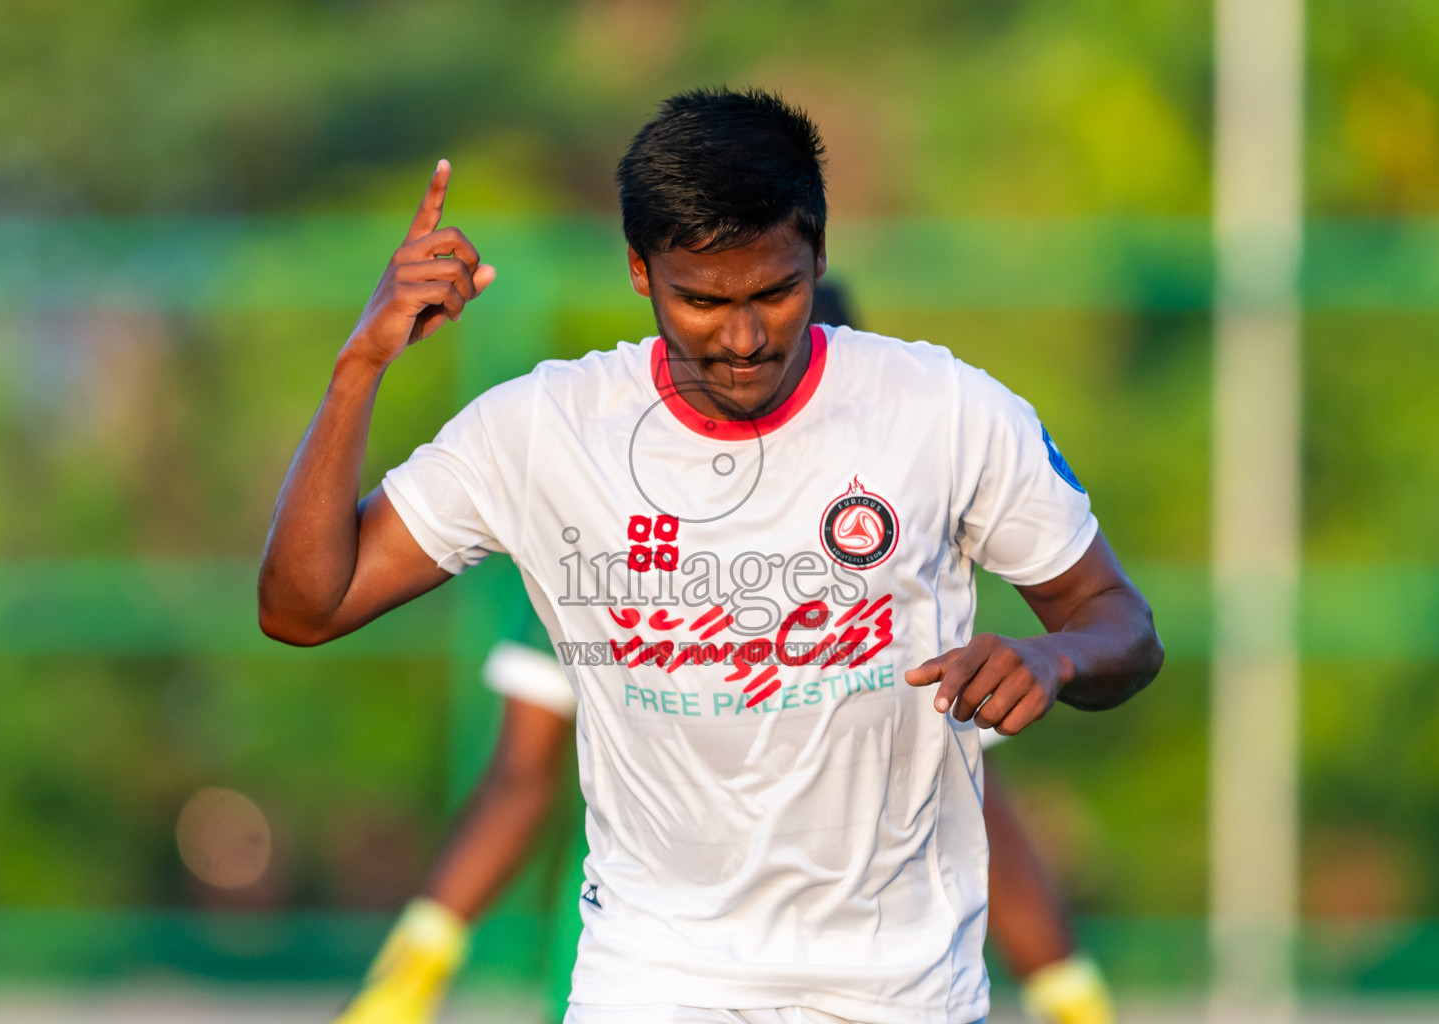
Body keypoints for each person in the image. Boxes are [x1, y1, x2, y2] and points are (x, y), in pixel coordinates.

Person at [259, 88, 1163, 1024]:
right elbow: (302, 609)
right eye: (700, 300)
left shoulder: (948, 411)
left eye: (774, 291)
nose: (741, 338)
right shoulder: (544, 433)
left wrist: (1054, 659)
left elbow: (1121, 624)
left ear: (817, 252)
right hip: (653, 984)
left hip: (901, 994)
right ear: (640, 271)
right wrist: (359, 365)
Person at [331, 284, 1118, 1024]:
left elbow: (973, 800)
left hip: (877, 986)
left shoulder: (895, 566)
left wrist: (1062, 981)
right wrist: (419, 960)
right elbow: (518, 776)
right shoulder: (604, 547)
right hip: (650, 975)